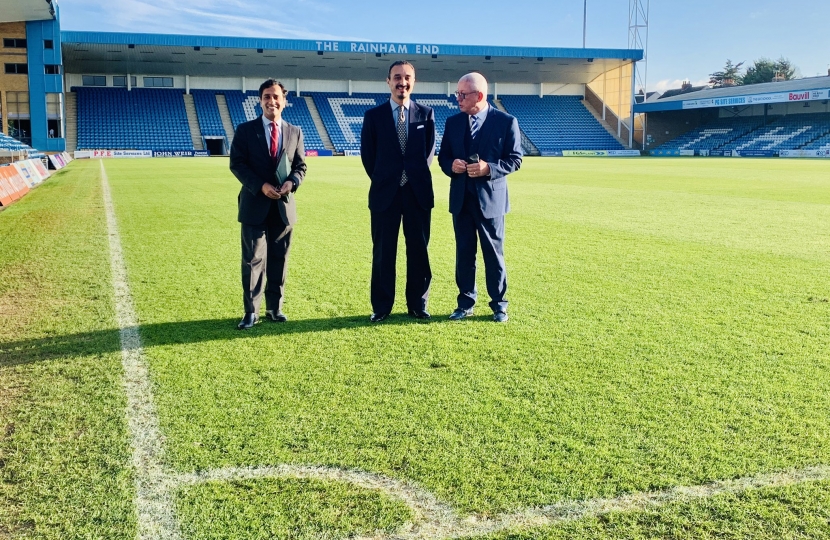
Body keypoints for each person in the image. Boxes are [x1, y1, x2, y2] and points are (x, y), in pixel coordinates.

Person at [438, 72, 522, 323]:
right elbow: (443, 157)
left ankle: (499, 305)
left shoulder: (506, 122)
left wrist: (489, 169)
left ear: (480, 96)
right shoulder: (453, 123)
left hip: (491, 201)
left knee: (493, 255)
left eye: (463, 94)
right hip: (461, 200)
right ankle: (465, 304)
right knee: (464, 254)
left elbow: (515, 159)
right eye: (457, 93)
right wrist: (451, 165)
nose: (458, 99)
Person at [360, 61, 436, 322]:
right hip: (385, 194)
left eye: (407, 78)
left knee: (418, 250)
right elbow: (368, 157)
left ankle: (418, 304)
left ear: (414, 81)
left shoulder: (426, 114)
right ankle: (382, 306)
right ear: (388, 81)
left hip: (417, 194)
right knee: (383, 252)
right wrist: (388, 179)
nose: (402, 82)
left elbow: (428, 154)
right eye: (397, 77)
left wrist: (410, 178)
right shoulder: (373, 116)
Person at [230, 79, 307, 329]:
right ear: (260, 100)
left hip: (283, 207)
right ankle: (251, 312)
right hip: (254, 205)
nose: (271, 101)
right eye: (266, 97)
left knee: (279, 259)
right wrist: (261, 185)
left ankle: (275, 308)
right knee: (253, 260)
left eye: (275, 97)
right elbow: (237, 164)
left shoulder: (295, 132)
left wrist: (292, 183)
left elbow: (300, 166)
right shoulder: (245, 130)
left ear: (284, 101)